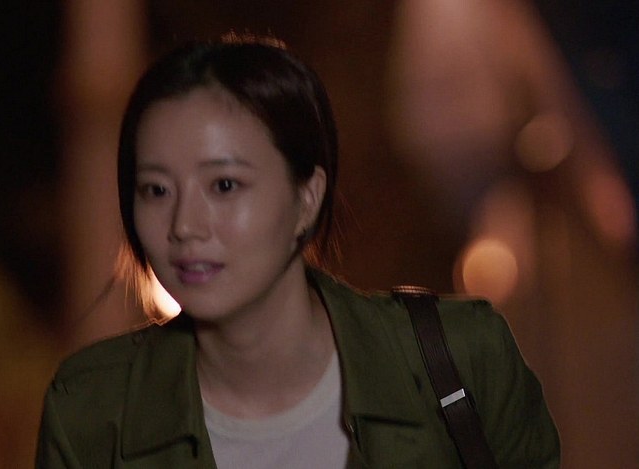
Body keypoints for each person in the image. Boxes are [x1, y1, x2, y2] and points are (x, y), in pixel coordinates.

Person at [35, 34, 560, 468]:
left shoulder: (460, 360)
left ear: (307, 199)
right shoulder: (94, 410)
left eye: (224, 186)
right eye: (156, 190)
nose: (184, 226)